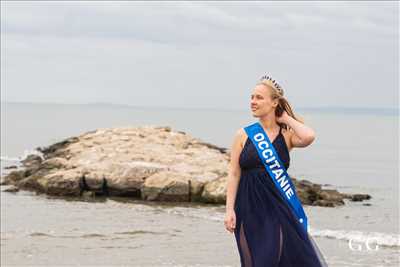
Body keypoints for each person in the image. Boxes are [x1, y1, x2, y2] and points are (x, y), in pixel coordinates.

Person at [224, 75, 328, 267]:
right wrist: (229, 210)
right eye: (252, 97)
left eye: (259, 98)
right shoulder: (243, 134)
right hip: (248, 207)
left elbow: (309, 136)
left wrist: (285, 117)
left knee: (275, 259)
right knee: (254, 260)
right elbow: (234, 173)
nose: (253, 102)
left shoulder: (287, 135)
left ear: (274, 103)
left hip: (277, 207)